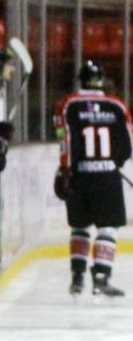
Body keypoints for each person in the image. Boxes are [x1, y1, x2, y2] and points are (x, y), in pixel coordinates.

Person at [53, 59, 133, 297]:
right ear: (100, 79)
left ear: (81, 79)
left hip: (79, 176)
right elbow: (128, 145)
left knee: (80, 225)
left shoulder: (68, 104)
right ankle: (101, 277)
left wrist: (65, 169)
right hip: (107, 177)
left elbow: (64, 139)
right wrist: (112, 163)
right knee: (107, 227)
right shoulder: (117, 105)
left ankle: (77, 277)